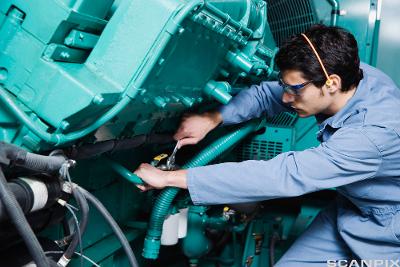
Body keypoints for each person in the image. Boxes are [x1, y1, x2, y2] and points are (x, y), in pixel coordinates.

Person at [134, 24, 400, 265]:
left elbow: (283, 175)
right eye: (286, 85)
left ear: (331, 84)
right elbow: (268, 93)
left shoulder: (371, 135)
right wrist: (214, 117)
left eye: (294, 89)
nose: (285, 97)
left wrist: (170, 178)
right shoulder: (352, 74)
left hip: (388, 228)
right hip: (351, 207)